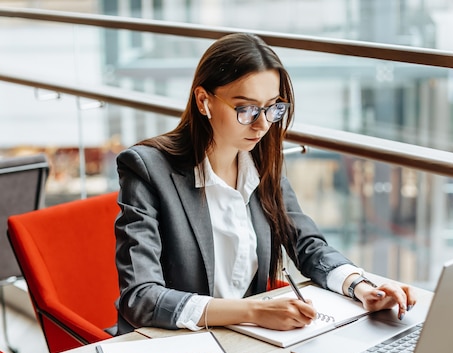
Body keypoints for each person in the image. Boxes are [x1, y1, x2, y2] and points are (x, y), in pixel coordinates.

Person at [114, 33, 416, 335]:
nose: (262, 125)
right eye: (246, 109)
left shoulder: (260, 162)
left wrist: (362, 288)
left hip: (244, 340)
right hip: (174, 346)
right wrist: (254, 312)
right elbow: (141, 298)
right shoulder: (147, 169)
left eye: (273, 107)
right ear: (204, 101)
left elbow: (306, 245)